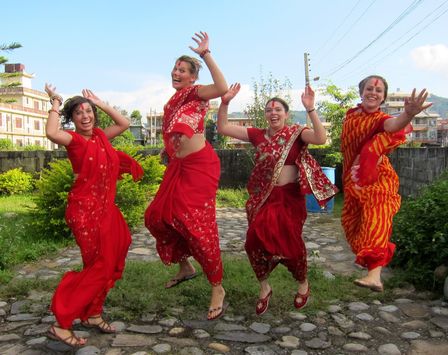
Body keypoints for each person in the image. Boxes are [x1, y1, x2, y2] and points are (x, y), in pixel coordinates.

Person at [217, 83, 338, 315]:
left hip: (290, 199)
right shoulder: (256, 135)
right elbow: (222, 127)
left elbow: (321, 139)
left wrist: (311, 109)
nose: (273, 113)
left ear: (286, 114)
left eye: (278, 110)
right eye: (269, 110)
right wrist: (225, 102)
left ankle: (302, 283)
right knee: (253, 240)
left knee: (290, 245)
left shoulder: (297, 133)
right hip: (265, 198)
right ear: (265, 114)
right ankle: (264, 287)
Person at [44, 84, 143, 347]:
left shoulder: (100, 136)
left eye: (88, 111)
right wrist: (55, 103)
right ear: (73, 119)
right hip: (85, 213)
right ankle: (61, 323)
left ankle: (92, 313)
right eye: (79, 113)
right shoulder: (74, 140)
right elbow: (52, 132)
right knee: (99, 266)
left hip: (106, 210)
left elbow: (124, 123)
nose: (85, 116)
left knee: (110, 259)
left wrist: (100, 103)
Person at [144, 32, 228, 321]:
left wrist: (205, 54)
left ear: (193, 78)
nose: (176, 73)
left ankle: (217, 286)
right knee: (156, 216)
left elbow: (221, 86)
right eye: (175, 69)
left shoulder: (195, 93)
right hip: (177, 168)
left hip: (200, 167)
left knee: (194, 222)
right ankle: (186, 266)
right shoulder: (173, 100)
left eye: (182, 70)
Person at [341, 75, 431, 292]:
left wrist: (408, 114)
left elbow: (393, 125)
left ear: (383, 97)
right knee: (352, 224)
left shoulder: (381, 119)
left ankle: (374, 275)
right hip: (352, 179)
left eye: (379, 90)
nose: (373, 92)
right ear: (361, 92)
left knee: (377, 213)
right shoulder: (351, 117)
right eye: (369, 88)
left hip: (378, 178)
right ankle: (370, 265)